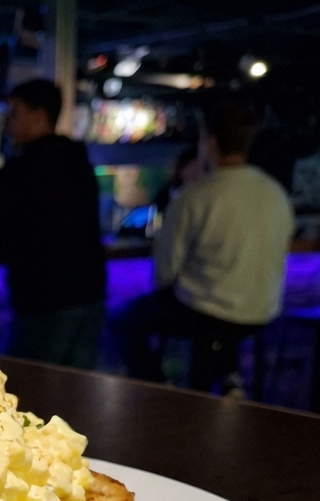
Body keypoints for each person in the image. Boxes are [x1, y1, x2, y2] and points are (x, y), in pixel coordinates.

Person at [122, 102, 294, 393]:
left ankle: (162, 389)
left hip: (206, 313)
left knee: (125, 322)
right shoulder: (275, 192)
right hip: (261, 312)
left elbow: (165, 271)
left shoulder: (196, 195)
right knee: (220, 307)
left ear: (210, 142)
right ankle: (229, 377)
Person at [0, 79, 107, 369]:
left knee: (30, 394)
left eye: (14, 114)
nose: (8, 124)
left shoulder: (22, 168)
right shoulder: (79, 161)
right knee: (77, 393)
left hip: (42, 300)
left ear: (38, 116)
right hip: (90, 294)